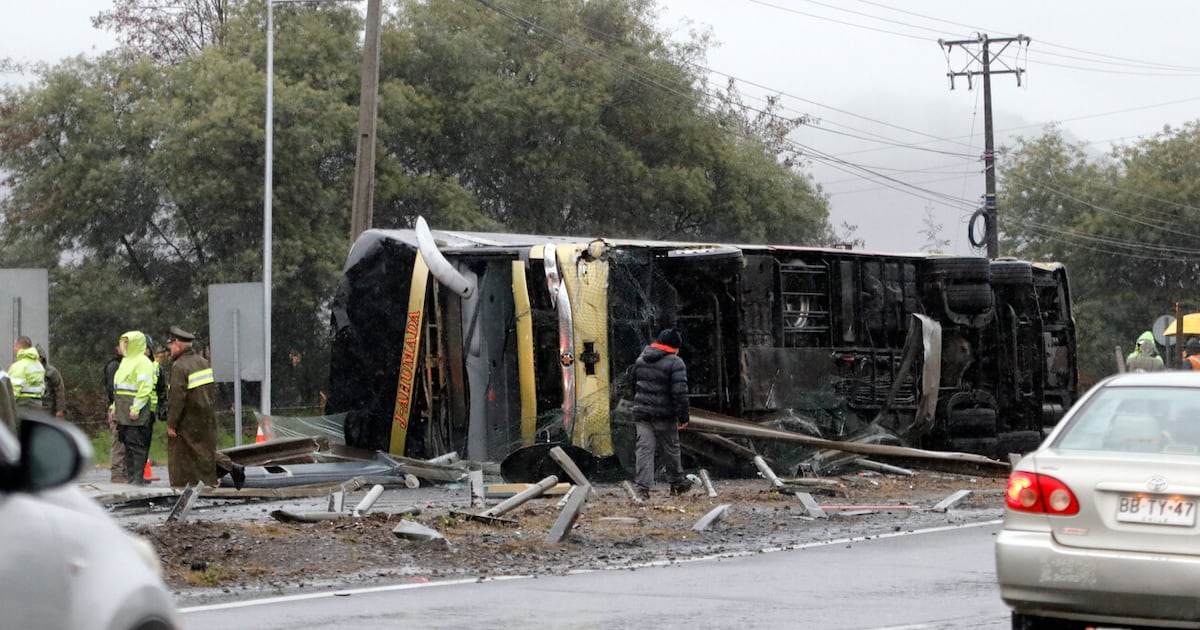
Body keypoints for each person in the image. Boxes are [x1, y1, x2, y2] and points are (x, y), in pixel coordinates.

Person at [165, 326, 244, 490]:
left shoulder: (179, 367)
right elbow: (210, 390)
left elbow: (177, 397)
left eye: (171, 345)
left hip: (188, 417)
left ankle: (184, 487)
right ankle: (222, 473)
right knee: (203, 451)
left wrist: (172, 422)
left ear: (178, 345)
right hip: (205, 414)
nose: (170, 349)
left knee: (183, 455)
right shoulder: (203, 362)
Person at [631, 328, 692, 500]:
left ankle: (643, 489)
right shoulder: (675, 363)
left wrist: (639, 405)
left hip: (642, 414)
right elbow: (679, 393)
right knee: (671, 448)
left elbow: (633, 386)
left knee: (644, 449)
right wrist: (683, 416)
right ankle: (677, 483)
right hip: (665, 414)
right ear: (674, 346)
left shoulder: (641, 359)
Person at [109, 331, 156, 485]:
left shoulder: (143, 362)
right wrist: (114, 408)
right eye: (124, 343)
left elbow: (144, 388)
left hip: (135, 413)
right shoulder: (125, 361)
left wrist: (136, 408)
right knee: (127, 446)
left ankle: (137, 480)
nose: (125, 346)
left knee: (137, 447)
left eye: (128, 342)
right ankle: (131, 480)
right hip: (123, 412)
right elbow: (118, 388)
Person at [104, 340, 127, 483]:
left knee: (123, 443)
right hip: (117, 409)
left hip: (121, 408)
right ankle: (117, 475)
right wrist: (116, 408)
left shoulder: (123, 364)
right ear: (117, 348)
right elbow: (113, 390)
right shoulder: (114, 366)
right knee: (118, 443)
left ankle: (122, 474)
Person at [8, 336, 45, 410]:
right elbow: (42, 387)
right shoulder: (39, 365)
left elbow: (13, 391)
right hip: (38, 404)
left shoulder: (18, 366)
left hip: (23, 405)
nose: (14, 349)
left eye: (14, 346)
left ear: (18, 346)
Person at [35, 344, 66, 418]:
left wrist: (60, 409)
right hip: (34, 408)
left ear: (41, 358)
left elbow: (59, 390)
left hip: (48, 409)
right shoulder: (29, 371)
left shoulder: (52, 372)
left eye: (37, 357)